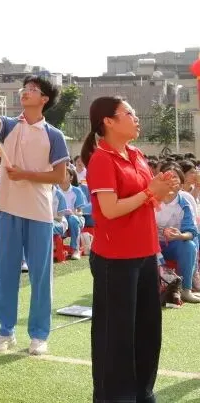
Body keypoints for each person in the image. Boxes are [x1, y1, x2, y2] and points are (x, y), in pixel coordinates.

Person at [0, 76, 69, 356]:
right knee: (5, 274)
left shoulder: (53, 135)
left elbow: (60, 175)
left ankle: (39, 334)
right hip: (7, 210)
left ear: (44, 99)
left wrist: (26, 175)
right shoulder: (8, 125)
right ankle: (5, 330)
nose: (26, 92)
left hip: (40, 213)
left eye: (33, 90)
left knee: (40, 277)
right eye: (26, 89)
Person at [83, 96, 177, 403]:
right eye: (129, 113)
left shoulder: (135, 154)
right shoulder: (102, 159)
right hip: (115, 259)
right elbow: (109, 209)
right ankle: (115, 397)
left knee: (147, 331)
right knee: (116, 337)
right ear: (108, 122)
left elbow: (150, 199)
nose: (136, 118)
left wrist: (162, 188)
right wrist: (151, 191)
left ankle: (142, 394)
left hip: (146, 252)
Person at [156, 163, 199, 304]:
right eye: (167, 177)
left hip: (173, 245)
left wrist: (179, 235)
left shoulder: (184, 202)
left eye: (175, 178)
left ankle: (186, 289)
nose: (171, 182)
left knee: (189, 245)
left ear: (181, 185)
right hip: (151, 245)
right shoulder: (151, 200)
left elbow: (191, 232)